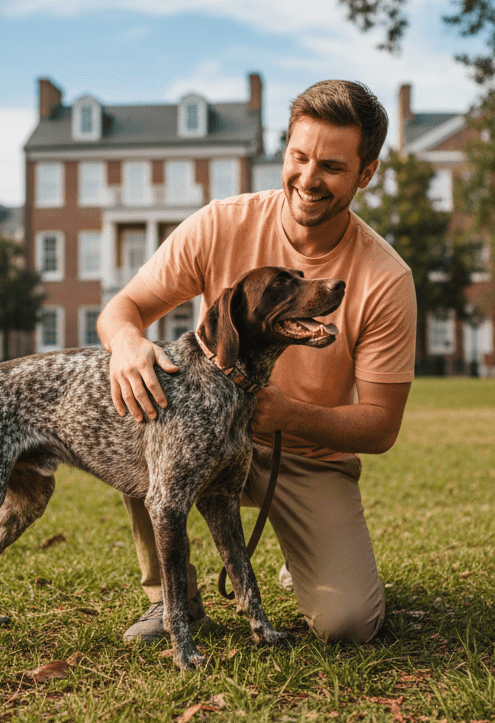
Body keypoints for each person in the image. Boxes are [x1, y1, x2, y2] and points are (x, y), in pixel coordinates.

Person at [97, 79, 417, 644]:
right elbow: (124, 308)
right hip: (200, 437)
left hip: (306, 457)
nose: (308, 179)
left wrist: (283, 413)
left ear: (366, 173)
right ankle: (176, 599)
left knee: (348, 626)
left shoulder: (385, 279)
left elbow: (382, 425)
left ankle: (307, 559)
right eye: (299, 157)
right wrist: (126, 345)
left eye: (332, 167)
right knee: (145, 403)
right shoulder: (222, 222)